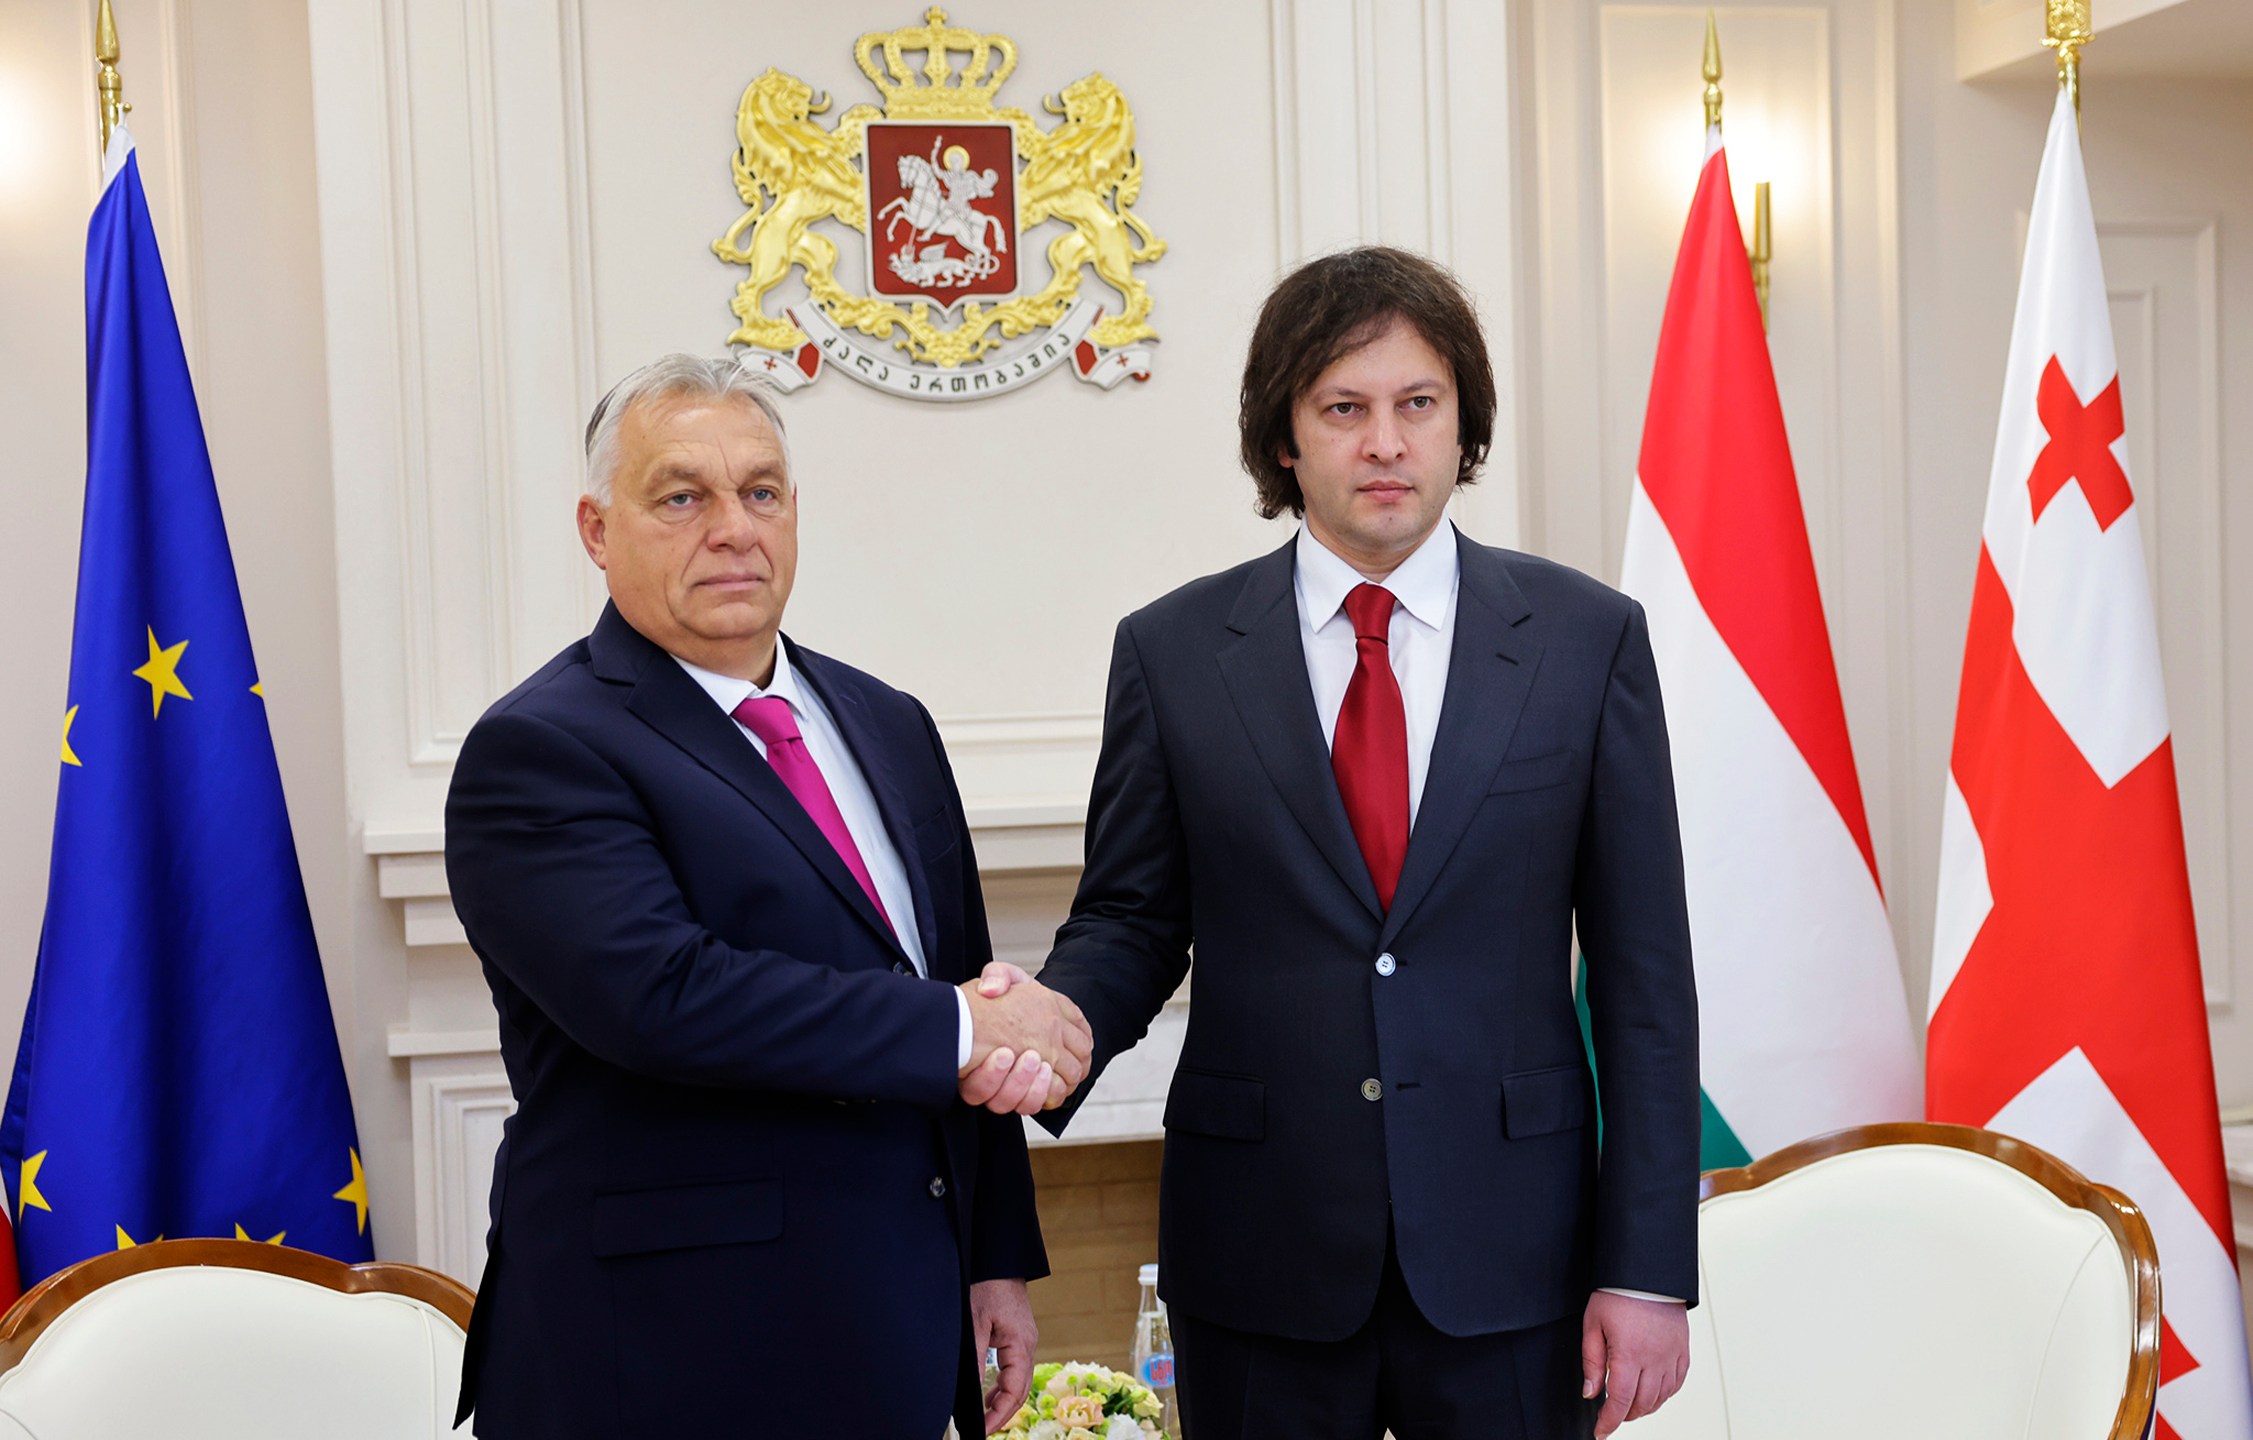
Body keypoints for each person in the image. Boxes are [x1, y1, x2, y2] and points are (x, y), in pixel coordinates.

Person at [1023, 248, 1701, 1439]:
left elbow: (1646, 981)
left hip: (1513, 1260)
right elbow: (1132, 920)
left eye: (1416, 406)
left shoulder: (1586, 642)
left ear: (1460, 427)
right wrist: (1050, 1032)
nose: (1384, 443)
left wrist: (1645, 1269)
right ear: (1285, 440)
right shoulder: (1174, 654)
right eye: (1344, 408)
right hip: (1260, 1256)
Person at [443, 354, 1092, 1439]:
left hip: (890, 1327)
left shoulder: (888, 721)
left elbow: (952, 981)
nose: (734, 528)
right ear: (598, 531)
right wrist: (967, 1023)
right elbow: (667, 997)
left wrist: (993, 1261)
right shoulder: (539, 749)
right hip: (661, 1356)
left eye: (762, 492)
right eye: (682, 496)